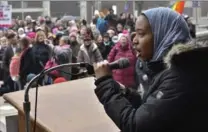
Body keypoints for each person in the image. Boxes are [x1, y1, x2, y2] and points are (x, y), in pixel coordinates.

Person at [92, 7, 203, 132]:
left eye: (141, 34)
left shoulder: (179, 77)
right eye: (134, 34)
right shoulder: (164, 69)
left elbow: (136, 126)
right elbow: (149, 107)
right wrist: (124, 92)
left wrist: (105, 84)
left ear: (164, 35)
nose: (134, 40)